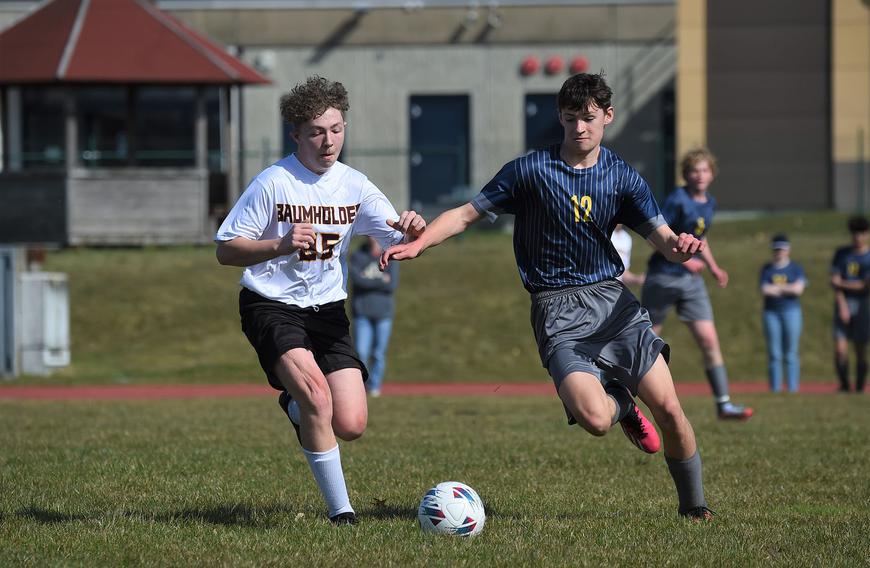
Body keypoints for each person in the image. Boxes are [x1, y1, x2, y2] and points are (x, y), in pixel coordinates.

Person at [382, 72, 714, 520]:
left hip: (614, 305)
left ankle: (695, 509)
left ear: (607, 117)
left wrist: (682, 248)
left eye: (590, 118)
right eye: (572, 117)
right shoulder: (530, 171)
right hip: (558, 312)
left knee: (671, 409)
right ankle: (622, 403)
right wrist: (421, 243)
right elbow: (464, 214)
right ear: (560, 117)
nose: (581, 127)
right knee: (596, 421)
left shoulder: (623, 178)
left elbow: (664, 240)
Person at [214, 76, 426, 524]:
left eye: (336, 129)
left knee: (350, 424)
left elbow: (397, 235)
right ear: (296, 134)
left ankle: (295, 406)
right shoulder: (273, 182)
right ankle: (342, 512)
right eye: (316, 131)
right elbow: (226, 250)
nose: (328, 141)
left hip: (328, 310)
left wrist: (412, 229)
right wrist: (279, 244)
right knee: (317, 395)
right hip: (270, 305)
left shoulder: (355, 185)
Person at [640, 148, 753, 420]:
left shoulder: (709, 203)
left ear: (712, 174)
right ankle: (631, 399)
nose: (699, 175)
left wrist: (713, 267)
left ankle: (724, 404)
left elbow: (701, 239)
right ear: (685, 174)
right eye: (694, 170)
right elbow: (654, 236)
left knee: (709, 339)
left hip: (691, 282)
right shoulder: (677, 200)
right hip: (663, 278)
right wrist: (684, 260)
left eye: (704, 170)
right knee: (646, 341)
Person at [830, 216, 870, 393]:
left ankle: (859, 388)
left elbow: (864, 285)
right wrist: (842, 304)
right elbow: (834, 282)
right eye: (855, 234)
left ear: (867, 235)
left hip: (862, 305)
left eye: (861, 233)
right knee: (840, 350)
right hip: (843, 303)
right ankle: (844, 385)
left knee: (860, 349)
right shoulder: (841, 254)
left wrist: (841, 283)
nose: (858, 237)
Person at [349, 236, 399, 397]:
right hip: (362, 312)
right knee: (361, 352)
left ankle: (375, 386)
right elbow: (357, 280)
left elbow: (391, 285)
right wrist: (380, 280)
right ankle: (361, 386)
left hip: (384, 313)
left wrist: (368, 279)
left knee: (378, 353)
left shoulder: (390, 256)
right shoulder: (357, 255)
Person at [759, 234, 807, 393]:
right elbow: (765, 290)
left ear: (788, 249)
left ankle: (793, 389)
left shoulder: (796, 268)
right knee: (774, 353)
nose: (779, 252)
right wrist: (787, 288)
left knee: (791, 353)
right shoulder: (767, 269)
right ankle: (775, 389)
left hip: (791, 312)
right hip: (771, 313)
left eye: (782, 249)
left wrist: (777, 288)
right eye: (776, 249)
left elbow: (798, 289)